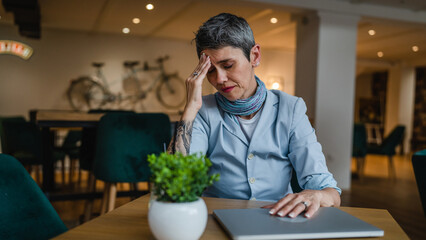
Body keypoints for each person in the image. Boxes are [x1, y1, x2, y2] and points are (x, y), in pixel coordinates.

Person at [168, 12, 341, 219]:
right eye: (210, 71)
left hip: (279, 221)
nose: (219, 79)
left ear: (254, 56)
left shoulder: (291, 108)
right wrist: (189, 109)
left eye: (228, 65)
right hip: (217, 218)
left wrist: (317, 195)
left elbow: (330, 192)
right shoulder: (203, 111)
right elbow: (175, 186)